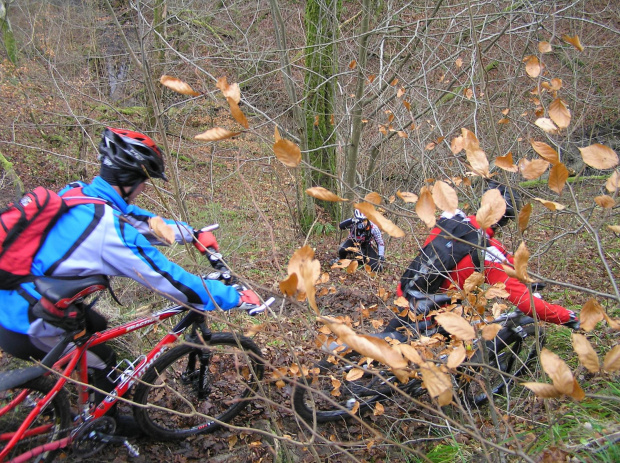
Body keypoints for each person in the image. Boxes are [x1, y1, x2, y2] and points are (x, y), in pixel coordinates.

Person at [0, 127, 263, 434]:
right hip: (27, 322)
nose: (143, 189)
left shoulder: (81, 194)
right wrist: (233, 296)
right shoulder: (107, 231)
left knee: (95, 328)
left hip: (17, 300)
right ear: (131, 181)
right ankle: (100, 425)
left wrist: (190, 233)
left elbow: (135, 219)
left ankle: (87, 411)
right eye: (143, 182)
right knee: (105, 359)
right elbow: (170, 281)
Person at [388, 181, 579, 334]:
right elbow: (528, 305)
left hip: (406, 292)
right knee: (461, 350)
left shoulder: (451, 218)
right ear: (505, 219)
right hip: (435, 313)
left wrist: (522, 274)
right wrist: (566, 316)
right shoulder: (486, 251)